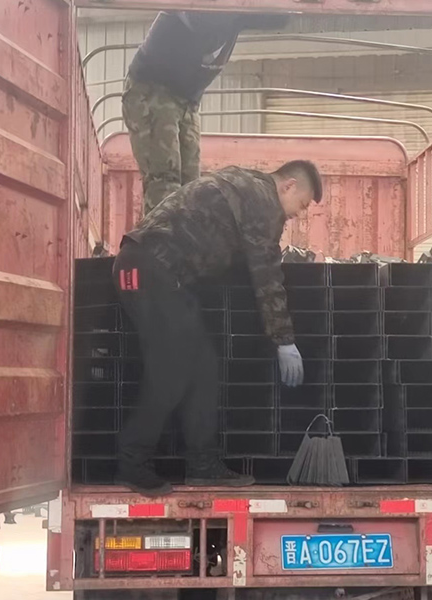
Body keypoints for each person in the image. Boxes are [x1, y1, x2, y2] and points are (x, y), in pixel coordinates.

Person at [113, 160, 323, 495]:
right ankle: (132, 462)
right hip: (147, 270)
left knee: (203, 367)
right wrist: (284, 340)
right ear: (288, 186)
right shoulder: (263, 201)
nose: (296, 215)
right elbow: (266, 275)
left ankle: (203, 465)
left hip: (159, 274)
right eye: (300, 205)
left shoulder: (244, 182)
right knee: (172, 371)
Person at [123, 11, 290, 215]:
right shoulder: (197, 11)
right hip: (153, 88)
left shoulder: (237, 13)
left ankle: (181, 233)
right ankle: (162, 235)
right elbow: (202, 20)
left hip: (187, 100)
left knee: (190, 188)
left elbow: (279, 18)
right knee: (165, 181)